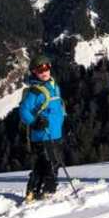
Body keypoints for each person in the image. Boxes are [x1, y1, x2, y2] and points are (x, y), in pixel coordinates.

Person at [19, 54, 66, 202]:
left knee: (43, 164)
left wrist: (65, 121)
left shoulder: (54, 86)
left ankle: (32, 191)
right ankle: (48, 190)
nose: (44, 72)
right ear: (34, 72)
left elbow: (57, 108)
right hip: (43, 135)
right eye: (40, 70)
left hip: (54, 133)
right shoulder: (35, 92)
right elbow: (23, 111)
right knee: (52, 162)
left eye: (46, 68)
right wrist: (34, 122)